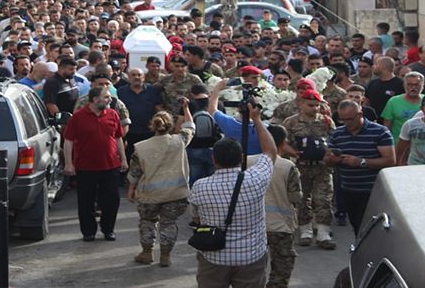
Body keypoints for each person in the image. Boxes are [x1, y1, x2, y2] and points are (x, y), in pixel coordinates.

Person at [189, 103, 277, 288]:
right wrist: (257, 119)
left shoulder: (200, 187)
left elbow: (196, 218)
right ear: (241, 158)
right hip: (250, 257)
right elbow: (270, 152)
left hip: (214, 257)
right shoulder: (255, 179)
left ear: (214, 160)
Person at [128, 104, 195, 267]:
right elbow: (190, 126)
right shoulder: (180, 141)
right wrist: (185, 108)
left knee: (147, 221)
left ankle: (146, 252)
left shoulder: (141, 147)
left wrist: (131, 189)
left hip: (149, 195)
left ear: (152, 125)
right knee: (169, 223)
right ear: (171, 125)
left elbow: (135, 172)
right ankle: (165, 256)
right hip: (175, 194)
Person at [63, 86, 128, 241]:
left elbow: (118, 138)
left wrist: (123, 159)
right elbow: (68, 140)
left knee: (111, 200)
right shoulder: (78, 117)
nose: (110, 100)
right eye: (106, 97)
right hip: (86, 167)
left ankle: (108, 229)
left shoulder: (112, 114)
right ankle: (88, 231)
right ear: (94, 99)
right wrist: (68, 163)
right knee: (86, 201)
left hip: (110, 165)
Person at [326, 101, 395, 235]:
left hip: (373, 191)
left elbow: (390, 160)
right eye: (343, 119)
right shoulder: (338, 134)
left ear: (360, 114)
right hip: (349, 189)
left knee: (372, 229)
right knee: (357, 226)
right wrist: (332, 160)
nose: (347, 123)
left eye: (350, 119)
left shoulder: (380, 132)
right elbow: (328, 160)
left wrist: (361, 162)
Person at [247, 125, 302, 288]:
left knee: (252, 267)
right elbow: (295, 197)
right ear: (284, 142)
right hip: (280, 226)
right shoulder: (288, 166)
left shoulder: (247, 161)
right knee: (282, 266)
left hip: (252, 226)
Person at [281, 89, 337, 250]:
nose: (314, 108)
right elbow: (283, 143)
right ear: (301, 104)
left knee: (324, 198)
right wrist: (293, 153)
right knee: (302, 199)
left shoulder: (326, 121)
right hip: (301, 166)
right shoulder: (291, 122)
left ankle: (323, 233)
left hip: (322, 168)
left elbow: (333, 140)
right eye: (310, 105)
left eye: (317, 105)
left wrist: (330, 155)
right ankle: (305, 231)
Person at [117, 68, 164, 166]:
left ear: (144, 77)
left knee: (148, 161)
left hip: (148, 133)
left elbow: (159, 110)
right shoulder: (121, 91)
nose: (136, 77)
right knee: (130, 160)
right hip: (129, 134)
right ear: (129, 77)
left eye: (139, 75)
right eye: (133, 75)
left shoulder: (152, 91)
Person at [381, 71, 424, 144]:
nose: (413, 88)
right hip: (398, 146)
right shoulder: (393, 102)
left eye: (416, 85)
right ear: (404, 85)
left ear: (422, 86)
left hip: (421, 147)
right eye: (409, 85)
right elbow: (387, 127)